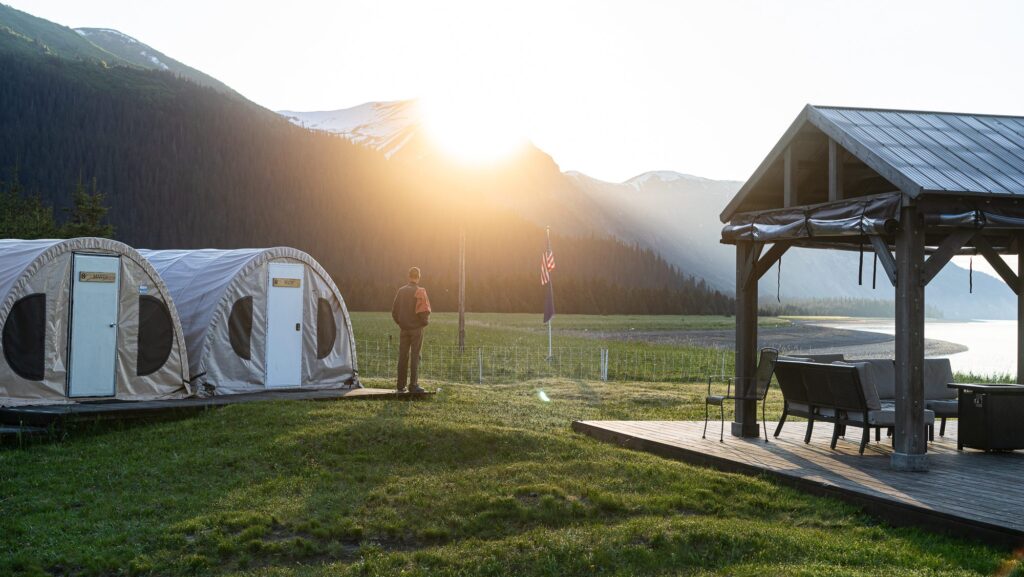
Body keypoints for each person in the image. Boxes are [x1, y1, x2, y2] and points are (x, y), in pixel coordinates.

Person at [391, 266, 430, 393]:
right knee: (415, 356)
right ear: (418, 277)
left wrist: (401, 323)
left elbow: (394, 312)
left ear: (409, 276)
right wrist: (424, 323)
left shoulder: (401, 291)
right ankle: (413, 385)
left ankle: (400, 385)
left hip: (404, 329)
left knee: (403, 356)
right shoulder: (420, 291)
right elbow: (424, 311)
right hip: (416, 330)